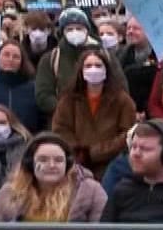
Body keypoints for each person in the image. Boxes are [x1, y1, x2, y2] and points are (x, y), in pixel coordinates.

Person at [51, 50, 134, 179]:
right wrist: (79, 154)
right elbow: (61, 129)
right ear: (81, 70)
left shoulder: (122, 100)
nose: (93, 69)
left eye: (98, 65)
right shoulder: (68, 100)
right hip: (76, 166)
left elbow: (127, 134)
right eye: (88, 66)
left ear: (106, 70)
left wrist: (94, 153)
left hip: (111, 166)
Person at [0, 36, 41, 135]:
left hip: (25, 139)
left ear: (22, 61)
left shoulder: (33, 88)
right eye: (6, 55)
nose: (10, 59)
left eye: (16, 57)